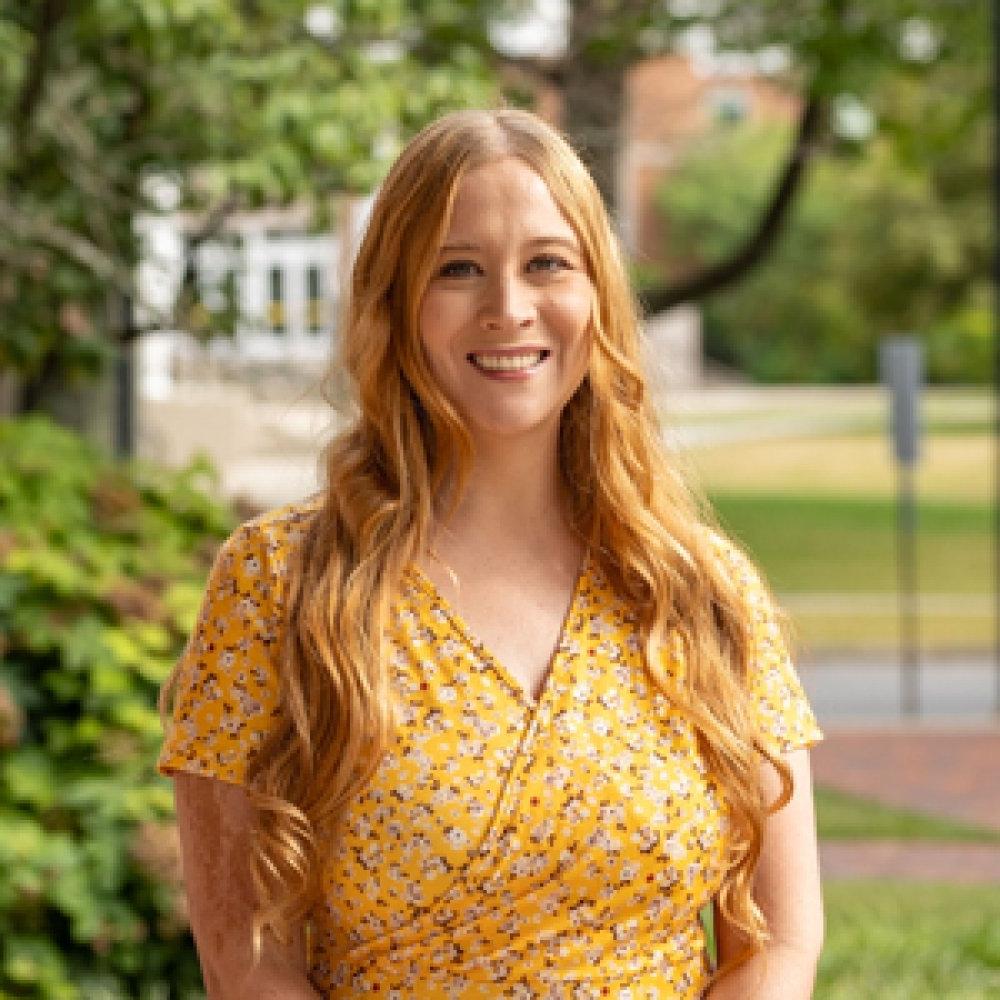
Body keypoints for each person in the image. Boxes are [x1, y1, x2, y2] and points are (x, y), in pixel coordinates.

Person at [159, 108, 824, 999]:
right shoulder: (280, 583)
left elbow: (781, 943)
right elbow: (243, 960)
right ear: (396, 303)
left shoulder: (705, 590)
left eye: (547, 263)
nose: (508, 308)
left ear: (598, 296)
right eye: (458, 269)